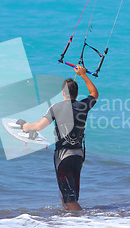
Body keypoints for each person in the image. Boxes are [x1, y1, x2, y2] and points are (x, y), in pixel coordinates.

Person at [22, 65, 99, 211]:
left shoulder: (56, 107)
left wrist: (27, 126)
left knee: (69, 200)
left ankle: (83, 222)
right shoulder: (83, 105)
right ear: (76, 93)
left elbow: (39, 126)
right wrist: (83, 75)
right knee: (69, 196)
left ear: (63, 93)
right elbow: (94, 93)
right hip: (78, 155)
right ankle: (71, 224)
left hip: (63, 156)